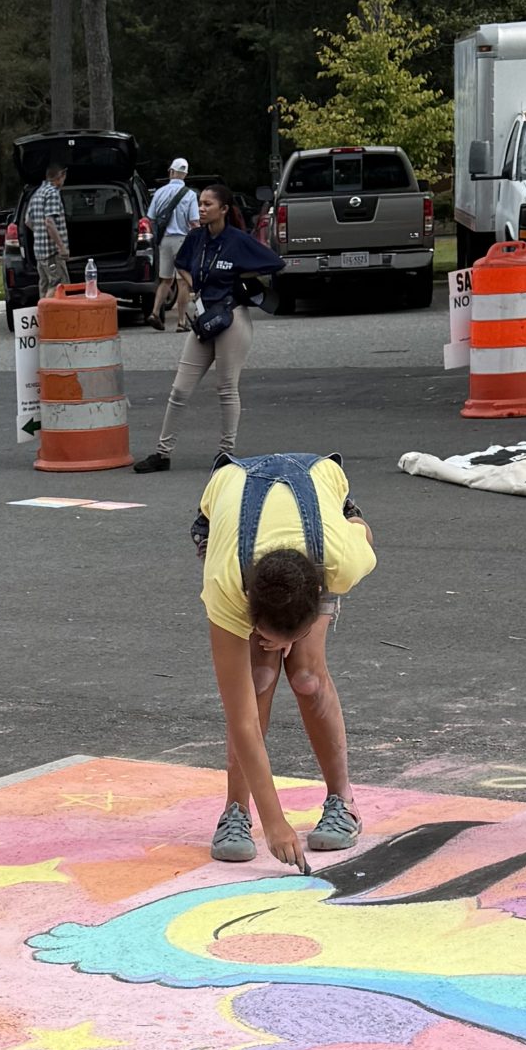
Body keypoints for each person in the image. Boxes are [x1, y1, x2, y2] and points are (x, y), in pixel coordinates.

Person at [193, 450, 376, 868]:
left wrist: (352, 522)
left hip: (317, 489)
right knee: (258, 677)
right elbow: (241, 717)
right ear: (249, 611)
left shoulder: (340, 561)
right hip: (233, 498)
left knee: (306, 676)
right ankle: (236, 810)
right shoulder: (226, 581)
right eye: (263, 633)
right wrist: (274, 822)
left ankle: (343, 801)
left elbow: (363, 532)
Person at [135, 184, 284, 474]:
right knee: (179, 390)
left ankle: (226, 453)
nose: (201, 209)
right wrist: (194, 285)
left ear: (224, 209)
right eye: (200, 203)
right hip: (204, 318)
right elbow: (181, 264)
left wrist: (240, 275)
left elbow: (275, 263)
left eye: (207, 204)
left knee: (226, 388)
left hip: (231, 317)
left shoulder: (237, 240)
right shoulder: (196, 238)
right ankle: (162, 453)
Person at [148, 158, 199, 332]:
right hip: (182, 240)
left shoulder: (159, 192)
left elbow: (151, 217)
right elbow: (194, 221)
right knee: (182, 282)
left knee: (166, 280)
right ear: (185, 174)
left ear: (171, 171)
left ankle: (155, 312)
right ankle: (182, 322)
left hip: (164, 240)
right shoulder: (189, 195)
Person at [25, 162, 72, 301]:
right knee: (58, 285)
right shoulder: (52, 193)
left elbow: (27, 221)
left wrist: (40, 233)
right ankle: (50, 312)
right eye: (64, 177)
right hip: (52, 253)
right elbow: (49, 222)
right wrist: (61, 247)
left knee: (45, 286)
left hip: (40, 253)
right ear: (60, 175)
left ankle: (43, 313)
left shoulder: (37, 193)